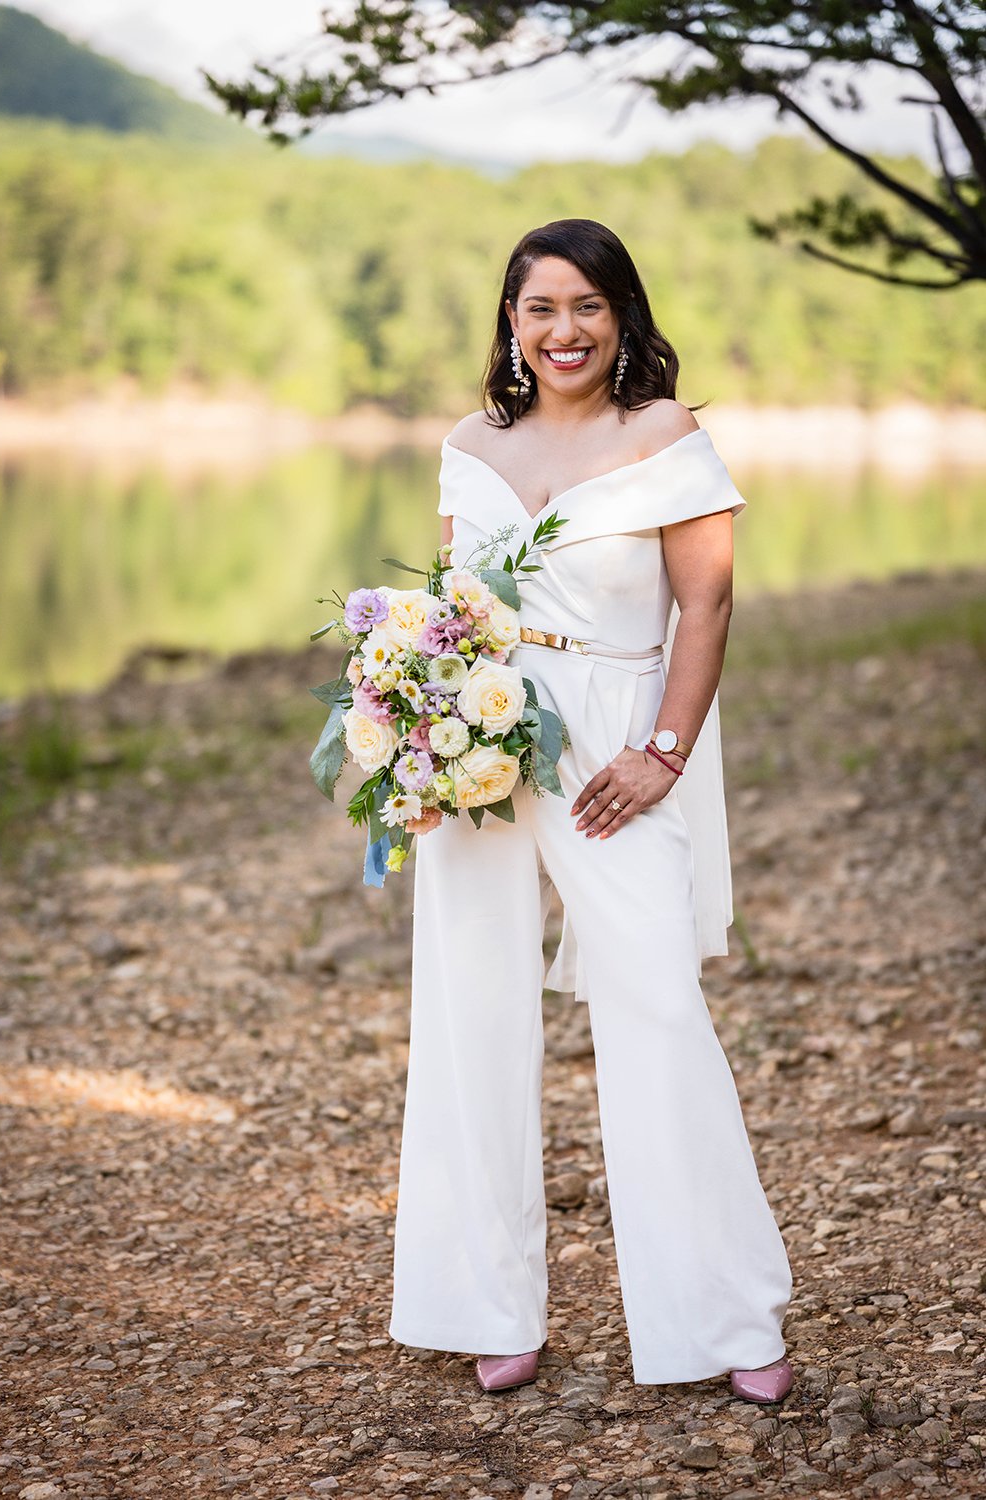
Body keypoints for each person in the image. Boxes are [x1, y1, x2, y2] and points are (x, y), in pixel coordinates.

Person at [387, 218, 793, 1402]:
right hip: (482, 741)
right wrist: (420, 739)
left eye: (585, 307)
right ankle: (484, 1300)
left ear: (622, 316)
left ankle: (725, 1318)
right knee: (469, 1009)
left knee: (657, 1005)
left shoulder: (665, 438)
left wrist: (661, 751)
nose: (561, 331)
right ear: (509, 324)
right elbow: (455, 608)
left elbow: (705, 609)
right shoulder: (471, 443)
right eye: (537, 309)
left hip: (615, 735)